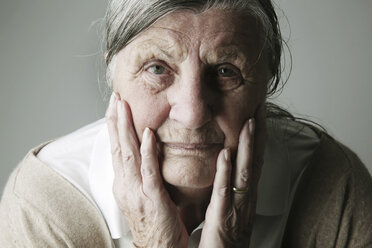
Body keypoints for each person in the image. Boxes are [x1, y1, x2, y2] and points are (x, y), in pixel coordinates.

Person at [1, 0, 371, 247]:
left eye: (226, 71)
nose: (192, 113)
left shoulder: (332, 187)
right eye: (157, 69)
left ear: (267, 79)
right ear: (113, 73)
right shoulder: (44, 207)